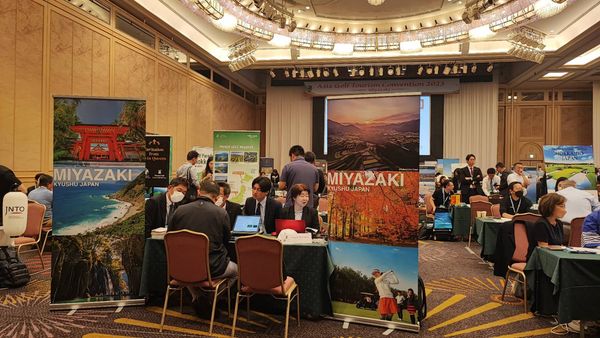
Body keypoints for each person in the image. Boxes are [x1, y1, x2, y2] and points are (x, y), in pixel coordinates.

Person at [169, 180, 237, 317]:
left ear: (199, 191)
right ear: (217, 197)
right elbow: (226, 240)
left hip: (180, 267)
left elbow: (170, 236)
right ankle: (211, 300)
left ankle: (198, 297)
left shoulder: (180, 210)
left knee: (191, 270)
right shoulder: (221, 213)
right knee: (237, 271)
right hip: (211, 267)